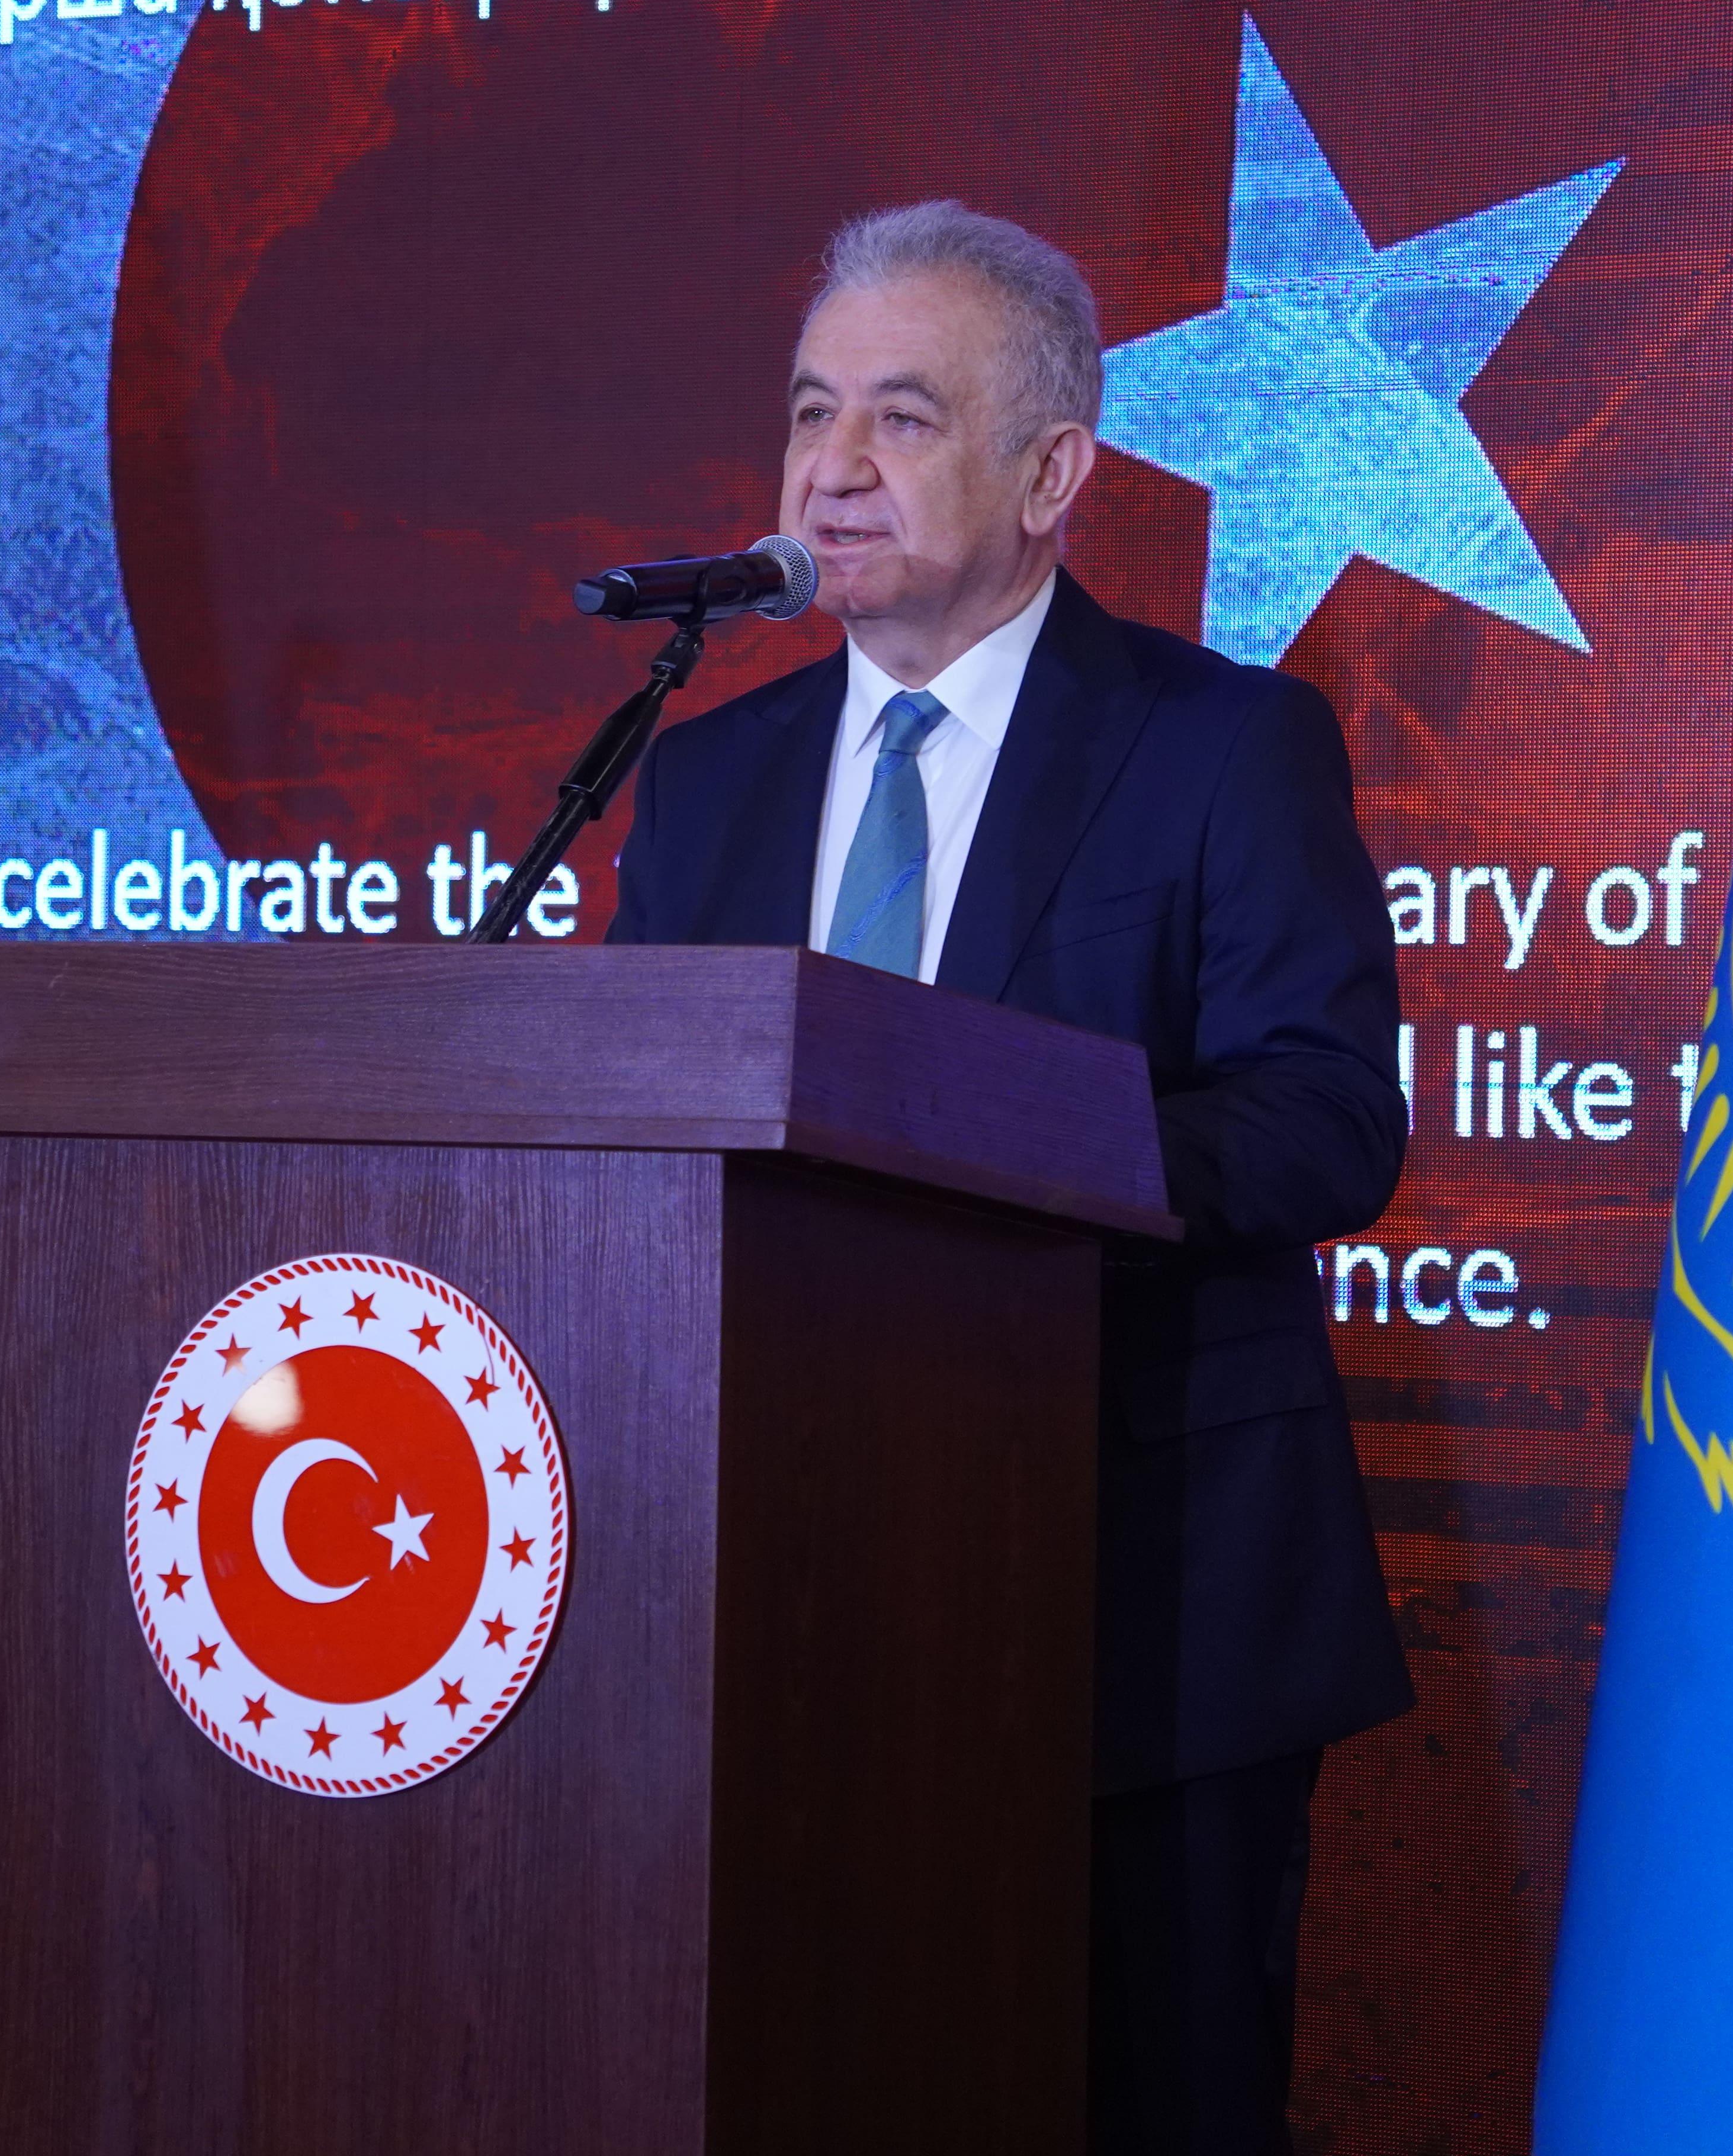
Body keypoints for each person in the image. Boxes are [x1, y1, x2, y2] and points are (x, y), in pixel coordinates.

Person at [604, 200, 1415, 2154]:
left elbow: (1326, 1118)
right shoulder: (707, 778)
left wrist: (986, 1133)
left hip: (1143, 1614)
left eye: (902, 416)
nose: (832, 467)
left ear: (1054, 475)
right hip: (765, 1611)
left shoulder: (1224, 747)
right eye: (811, 411)